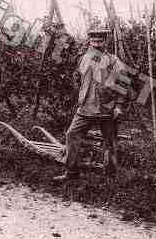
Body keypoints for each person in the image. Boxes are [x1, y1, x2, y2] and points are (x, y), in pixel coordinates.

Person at [53, 28, 126, 182]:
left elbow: (124, 84)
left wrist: (118, 106)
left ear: (105, 42)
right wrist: (80, 96)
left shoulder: (114, 61)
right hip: (86, 107)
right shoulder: (83, 59)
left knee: (110, 142)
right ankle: (71, 173)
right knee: (72, 134)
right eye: (93, 42)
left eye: (100, 41)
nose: (96, 45)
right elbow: (77, 79)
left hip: (107, 109)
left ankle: (111, 176)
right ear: (89, 42)